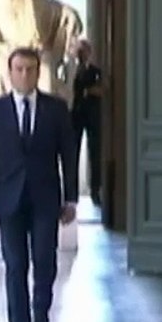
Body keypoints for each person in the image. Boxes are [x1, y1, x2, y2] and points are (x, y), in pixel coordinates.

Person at [0, 47, 78, 322]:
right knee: (15, 264)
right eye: (19, 69)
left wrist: (71, 198)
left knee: (45, 261)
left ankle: (40, 312)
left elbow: (68, 156)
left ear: (38, 72)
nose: (24, 75)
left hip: (45, 198)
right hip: (8, 200)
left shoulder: (56, 110)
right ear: (10, 73)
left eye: (30, 69)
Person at [70, 39, 102, 204]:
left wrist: (89, 90)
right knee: (71, 154)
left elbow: (102, 89)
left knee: (95, 153)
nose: (81, 54)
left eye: (84, 51)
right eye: (79, 51)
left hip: (92, 116)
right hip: (73, 116)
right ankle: (71, 193)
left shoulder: (95, 71)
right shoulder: (68, 70)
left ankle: (95, 191)